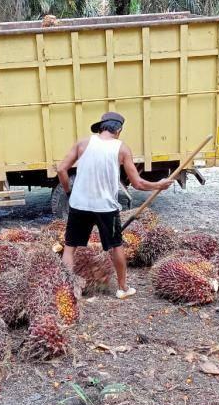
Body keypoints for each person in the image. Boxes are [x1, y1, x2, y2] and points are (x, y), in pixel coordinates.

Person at [56, 112, 173, 299]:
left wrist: (69, 192)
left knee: (70, 248)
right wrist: (159, 184)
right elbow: (138, 183)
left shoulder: (83, 144)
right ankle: (122, 288)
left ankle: (66, 290)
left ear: (101, 128)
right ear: (118, 130)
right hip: (105, 208)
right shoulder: (122, 149)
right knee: (116, 246)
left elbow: (61, 169)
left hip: (79, 205)